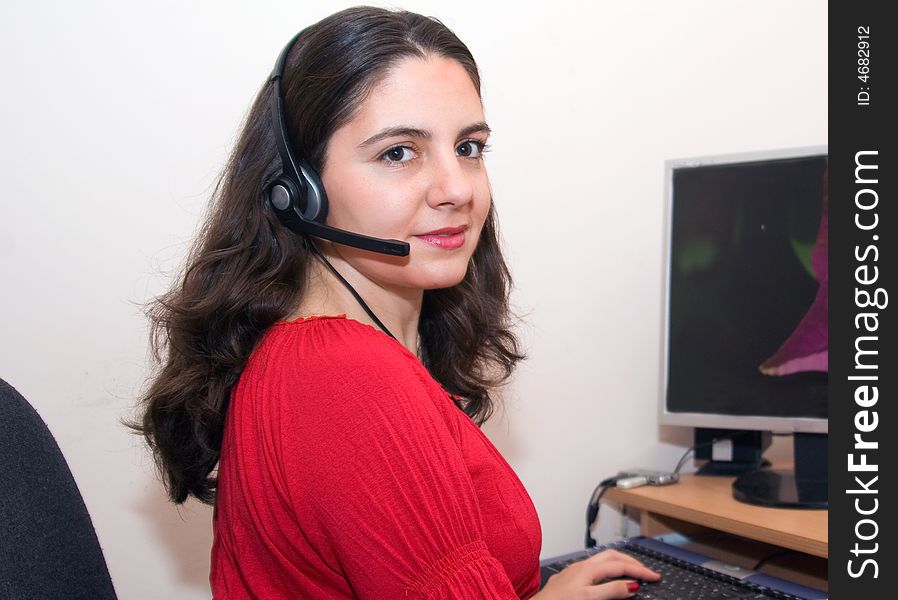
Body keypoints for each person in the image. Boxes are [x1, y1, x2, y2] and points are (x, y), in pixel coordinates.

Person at [135, 6, 660, 599]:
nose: (457, 188)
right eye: (398, 153)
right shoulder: (346, 378)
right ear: (297, 190)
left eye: (468, 147)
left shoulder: (314, 351)